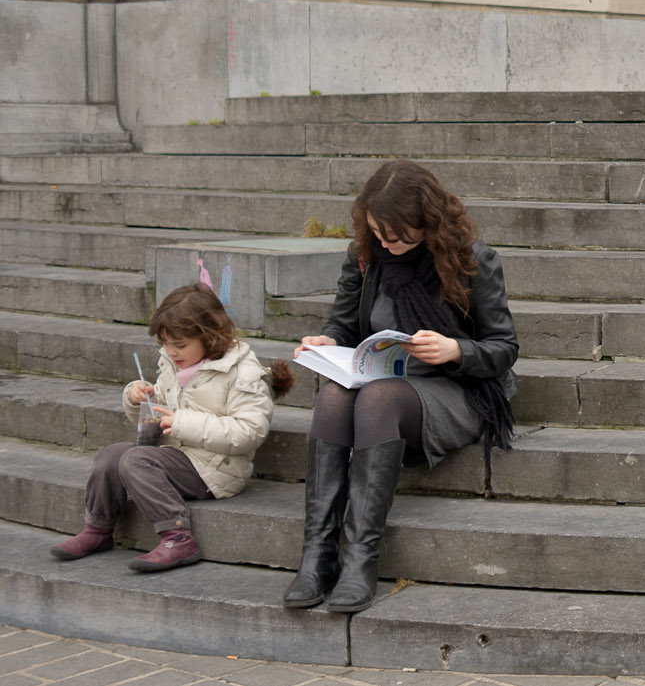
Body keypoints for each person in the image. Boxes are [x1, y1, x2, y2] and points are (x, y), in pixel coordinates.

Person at [286, 159, 518, 613]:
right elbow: (343, 323)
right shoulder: (367, 256)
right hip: (384, 378)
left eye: (399, 234)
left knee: (376, 399)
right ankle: (317, 555)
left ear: (427, 223)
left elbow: (504, 348)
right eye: (379, 231)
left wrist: (455, 349)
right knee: (335, 393)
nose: (388, 242)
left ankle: (360, 559)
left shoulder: (473, 259)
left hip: (455, 391)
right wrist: (327, 341)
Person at [50, 283, 294, 571]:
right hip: (176, 456)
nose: (171, 352)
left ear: (210, 336)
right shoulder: (172, 363)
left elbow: (249, 433)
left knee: (134, 460)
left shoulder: (243, 373)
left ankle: (177, 537)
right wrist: (138, 398)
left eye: (180, 345)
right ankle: (98, 529)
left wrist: (180, 422)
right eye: (165, 344)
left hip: (216, 468)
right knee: (109, 456)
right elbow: (157, 419)